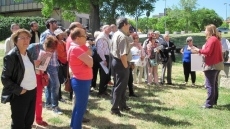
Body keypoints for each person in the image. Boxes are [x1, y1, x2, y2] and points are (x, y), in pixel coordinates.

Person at [1, 29, 37, 129]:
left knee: (29, 121)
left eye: (28, 38)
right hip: (20, 94)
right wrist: (18, 90)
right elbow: (5, 78)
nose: (26, 40)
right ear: (15, 41)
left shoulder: (28, 53)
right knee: (19, 123)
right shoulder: (11, 56)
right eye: (22, 38)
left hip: (32, 91)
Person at [27, 35, 58, 127]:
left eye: (53, 50)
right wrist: (33, 62)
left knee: (39, 99)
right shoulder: (33, 47)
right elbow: (22, 60)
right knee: (29, 99)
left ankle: (39, 119)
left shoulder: (49, 52)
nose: (51, 52)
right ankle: (29, 120)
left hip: (39, 75)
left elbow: (45, 65)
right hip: (29, 76)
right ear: (45, 44)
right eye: (50, 49)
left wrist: (44, 72)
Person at [193, 24, 224, 108]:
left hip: (212, 65)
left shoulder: (211, 39)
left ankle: (208, 104)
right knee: (214, 84)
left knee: (210, 84)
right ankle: (213, 102)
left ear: (210, 31)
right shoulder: (216, 39)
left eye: (206, 30)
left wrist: (198, 50)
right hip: (217, 64)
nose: (205, 32)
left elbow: (208, 51)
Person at [68, 28, 93, 129]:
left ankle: (73, 125)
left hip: (81, 79)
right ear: (78, 38)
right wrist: (88, 59)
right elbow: (91, 62)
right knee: (81, 107)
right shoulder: (76, 49)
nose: (86, 37)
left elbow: (90, 53)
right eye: (84, 36)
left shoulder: (77, 47)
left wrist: (85, 47)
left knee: (78, 106)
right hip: (81, 80)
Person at [40, 18, 62, 114]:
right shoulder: (46, 34)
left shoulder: (54, 34)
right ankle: (54, 106)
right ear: (50, 24)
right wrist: (44, 66)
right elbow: (42, 49)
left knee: (49, 85)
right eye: (55, 22)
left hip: (55, 62)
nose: (56, 24)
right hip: (49, 64)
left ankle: (48, 103)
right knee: (56, 85)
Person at [110, 17, 132, 116]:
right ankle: (114, 108)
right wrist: (126, 66)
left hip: (116, 61)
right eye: (128, 24)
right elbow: (123, 55)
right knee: (120, 86)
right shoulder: (122, 36)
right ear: (124, 25)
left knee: (121, 86)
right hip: (121, 62)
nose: (129, 26)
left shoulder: (116, 34)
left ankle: (122, 105)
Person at [96, 25, 112, 97]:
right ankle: (101, 91)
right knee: (103, 75)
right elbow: (100, 50)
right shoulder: (101, 37)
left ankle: (104, 90)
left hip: (107, 56)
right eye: (108, 28)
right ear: (104, 29)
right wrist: (104, 59)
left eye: (110, 28)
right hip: (103, 57)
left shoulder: (107, 36)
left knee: (106, 74)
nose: (110, 29)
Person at [54, 28, 68, 102]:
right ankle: (59, 96)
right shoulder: (55, 43)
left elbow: (67, 51)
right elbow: (59, 54)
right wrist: (65, 57)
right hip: (58, 63)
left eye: (63, 34)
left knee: (68, 78)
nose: (62, 35)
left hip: (65, 63)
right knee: (58, 81)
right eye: (61, 34)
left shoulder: (63, 42)